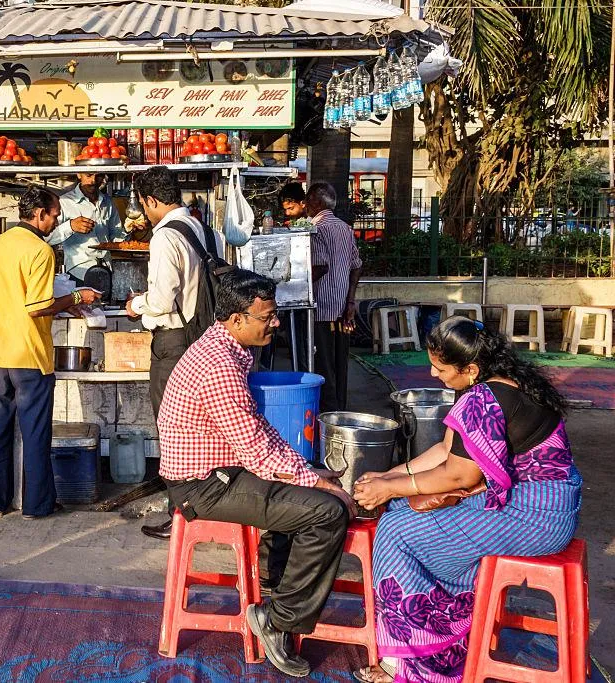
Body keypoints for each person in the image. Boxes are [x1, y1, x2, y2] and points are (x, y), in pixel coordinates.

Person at [352, 316, 582, 683]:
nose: (431, 373)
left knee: (396, 530)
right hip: (543, 504)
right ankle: (450, 631)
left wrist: (391, 487)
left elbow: (461, 475)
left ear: (470, 367)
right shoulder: (498, 381)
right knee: (399, 510)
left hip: (533, 516)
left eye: (440, 367)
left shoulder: (484, 398)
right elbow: (447, 450)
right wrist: (391, 476)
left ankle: (418, 661)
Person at [158, 268, 355, 677]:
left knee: (306, 493)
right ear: (235, 320)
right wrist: (317, 481)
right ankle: (277, 618)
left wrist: (305, 470)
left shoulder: (231, 350)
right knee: (328, 512)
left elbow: (259, 433)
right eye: (267, 317)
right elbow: (255, 449)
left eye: (274, 314)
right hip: (203, 486)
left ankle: (274, 590)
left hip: (225, 470)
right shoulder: (219, 367)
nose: (276, 323)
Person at [0, 186, 99, 519]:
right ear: (39, 214)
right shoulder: (40, 251)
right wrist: (78, 298)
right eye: (55, 213)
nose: (57, 218)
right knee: (34, 432)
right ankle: (36, 504)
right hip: (29, 354)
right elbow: (37, 306)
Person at [128, 166, 222, 541]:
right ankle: (199, 507)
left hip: (174, 341)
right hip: (199, 335)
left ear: (151, 200)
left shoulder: (165, 236)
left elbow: (163, 298)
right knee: (196, 427)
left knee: (172, 431)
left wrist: (137, 306)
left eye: (143, 205)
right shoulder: (198, 228)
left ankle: (180, 513)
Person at [307, 181, 361, 413]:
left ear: (316, 202)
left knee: (323, 368)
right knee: (340, 367)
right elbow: (357, 266)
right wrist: (350, 301)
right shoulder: (345, 229)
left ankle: (328, 418)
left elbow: (319, 266)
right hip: (341, 309)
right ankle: (340, 413)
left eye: (307, 200)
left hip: (321, 309)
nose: (305, 205)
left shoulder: (315, 228)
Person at [46, 172, 124, 282]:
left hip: (106, 271)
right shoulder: (65, 202)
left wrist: (130, 229)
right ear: (79, 175)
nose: (93, 181)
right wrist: (71, 226)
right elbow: (47, 238)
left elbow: (117, 236)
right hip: (78, 272)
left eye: (99, 176)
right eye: (89, 175)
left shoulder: (108, 201)